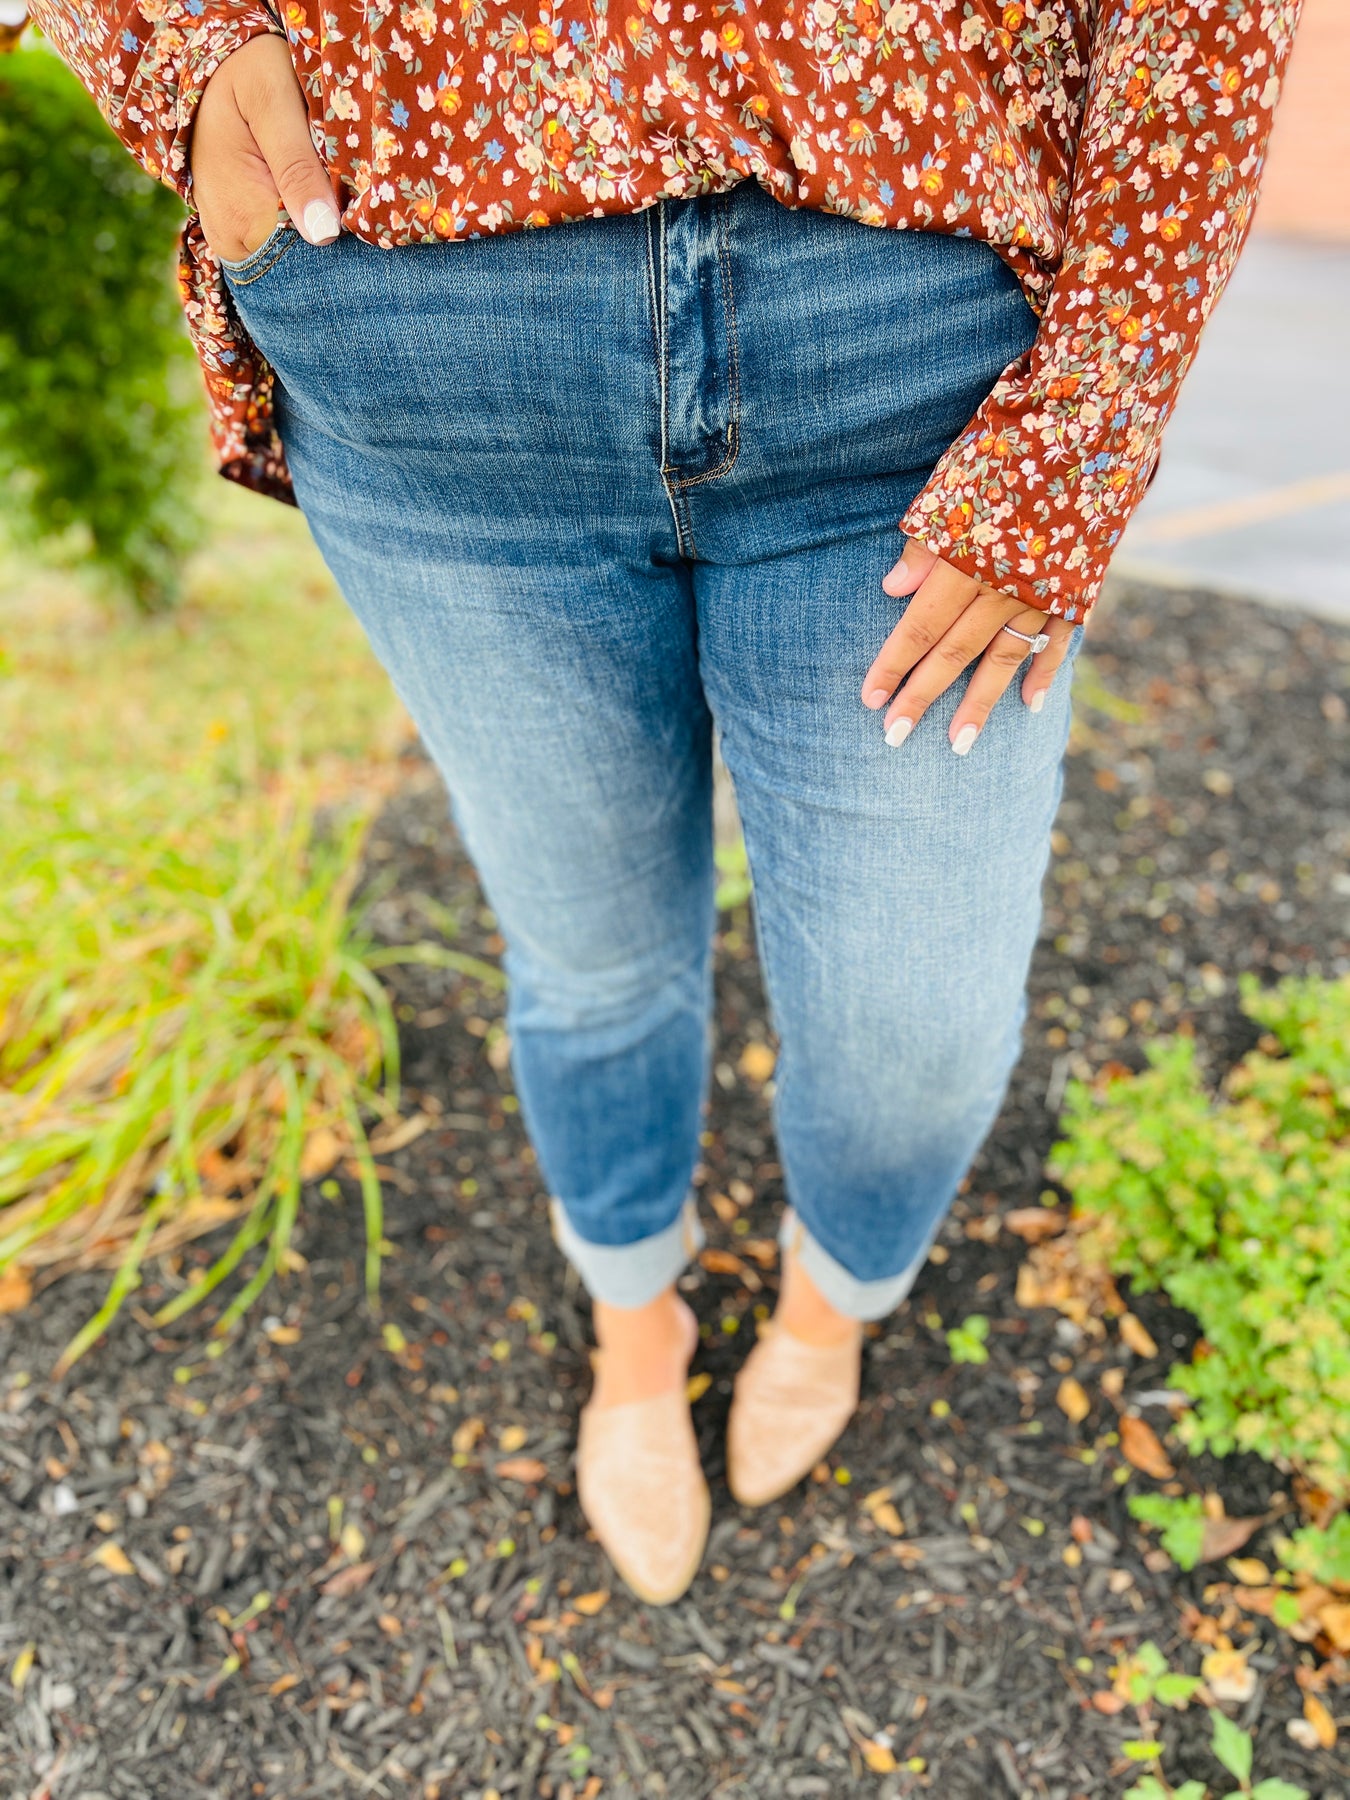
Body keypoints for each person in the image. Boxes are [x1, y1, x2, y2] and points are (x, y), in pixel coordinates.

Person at [28, 0, 1301, 1605]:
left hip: (903, 354)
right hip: (423, 336)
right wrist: (171, 41)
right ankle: (638, 1323)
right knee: (589, 951)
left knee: (912, 1027)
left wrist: (1082, 432)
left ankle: (827, 1308)